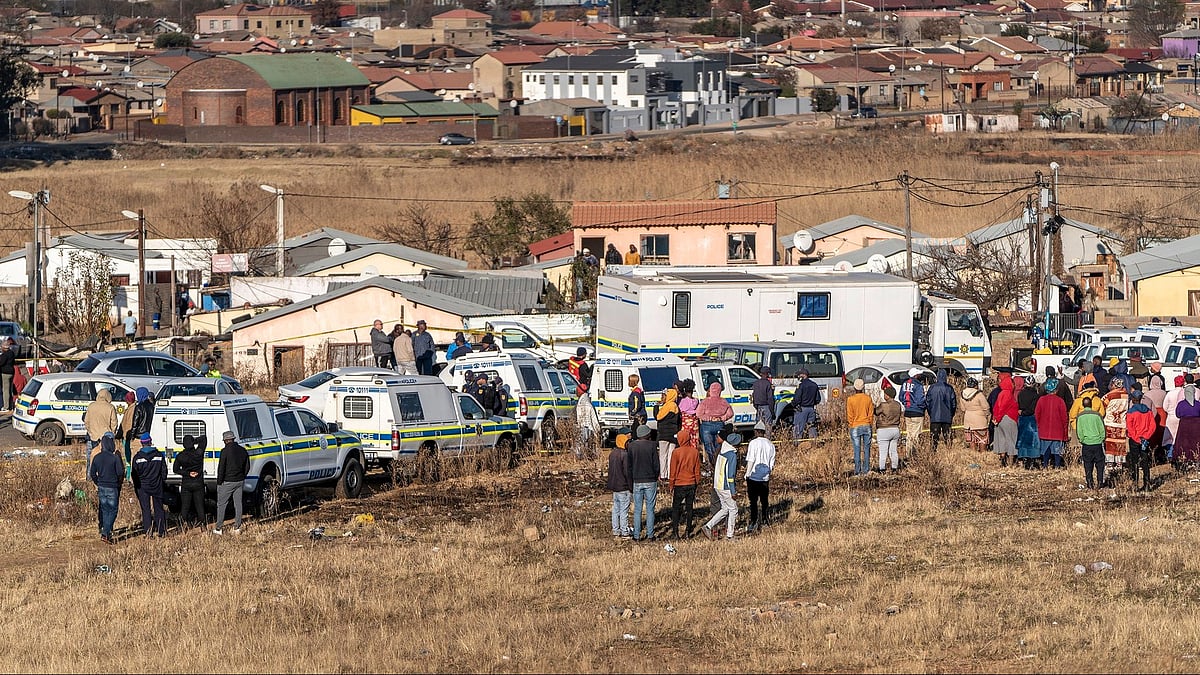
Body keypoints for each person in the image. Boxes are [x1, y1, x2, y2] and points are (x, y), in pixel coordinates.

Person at [701, 430, 741, 541]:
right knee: (733, 510)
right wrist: (733, 491)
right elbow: (730, 474)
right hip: (726, 486)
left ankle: (708, 526)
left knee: (725, 509)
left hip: (717, 485)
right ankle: (730, 535)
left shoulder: (722, 451)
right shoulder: (732, 455)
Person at [626, 425, 660, 541]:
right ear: (647, 434)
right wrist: (655, 476)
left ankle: (636, 535)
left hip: (637, 480)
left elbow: (629, 466)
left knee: (637, 509)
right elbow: (656, 464)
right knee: (650, 509)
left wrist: (631, 481)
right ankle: (650, 535)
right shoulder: (652, 445)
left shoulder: (631, 446)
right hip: (650, 480)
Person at [131, 432, 167, 538]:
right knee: (159, 509)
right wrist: (162, 481)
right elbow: (164, 471)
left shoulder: (137, 458)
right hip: (157, 485)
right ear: (150, 442)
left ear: (142, 444)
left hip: (143, 487)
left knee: (146, 509)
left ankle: (148, 532)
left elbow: (134, 474)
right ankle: (162, 531)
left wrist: (138, 486)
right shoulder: (159, 455)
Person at [89, 434, 124, 543]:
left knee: (105, 509)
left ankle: (105, 530)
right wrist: (117, 483)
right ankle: (106, 532)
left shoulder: (97, 457)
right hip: (112, 487)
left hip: (102, 487)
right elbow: (120, 472)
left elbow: (92, 473)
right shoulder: (114, 458)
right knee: (113, 510)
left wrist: (98, 482)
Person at [668, 427, 700, 539]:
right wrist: (697, 482)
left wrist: (671, 484)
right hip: (691, 483)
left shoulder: (676, 452)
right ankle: (687, 531)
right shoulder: (695, 452)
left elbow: (673, 470)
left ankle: (675, 532)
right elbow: (697, 470)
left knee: (676, 508)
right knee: (689, 508)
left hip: (679, 484)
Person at [214, 430, 248, 535]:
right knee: (238, 504)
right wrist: (242, 476)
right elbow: (247, 466)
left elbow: (221, 468)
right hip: (240, 480)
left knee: (221, 504)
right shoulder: (243, 450)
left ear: (225, 440)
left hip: (227, 481)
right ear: (233, 439)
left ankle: (219, 528)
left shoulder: (224, 451)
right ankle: (237, 527)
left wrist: (219, 482)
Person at [744, 421, 775, 533]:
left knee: (753, 502)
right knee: (764, 501)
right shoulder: (770, 444)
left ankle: (753, 522)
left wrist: (747, 474)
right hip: (765, 477)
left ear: (756, 431)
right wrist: (767, 472)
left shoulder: (753, 443)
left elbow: (751, 460)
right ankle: (765, 520)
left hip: (753, 477)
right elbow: (772, 463)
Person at [1075, 387, 1107, 489]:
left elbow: (1079, 431)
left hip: (1086, 444)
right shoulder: (1097, 415)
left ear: (1083, 405)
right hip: (1097, 443)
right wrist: (1101, 438)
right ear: (1091, 404)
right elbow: (1102, 429)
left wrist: (1082, 440)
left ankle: (1089, 482)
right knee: (1100, 464)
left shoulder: (1080, 416)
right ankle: (1100, 482)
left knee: (1088, 464)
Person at [83, 388, 119, 477]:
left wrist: (91, 432)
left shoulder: (91, 406)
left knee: (91, 458)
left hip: (93, 437)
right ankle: (104, 477)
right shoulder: (110, 407)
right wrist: (111, 434)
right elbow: (114, 423)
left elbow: (86, 421)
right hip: (106, 438)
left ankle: (90, 477)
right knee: (105, 460)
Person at [173, 433, 206, 529]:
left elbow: (175, 469)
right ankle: (203, 524)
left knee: (185, 506)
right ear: (192, 443)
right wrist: (194, 441)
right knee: (200, 505)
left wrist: (187, 473)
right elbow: (204, 439)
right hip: (198, 482)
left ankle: (184, 524)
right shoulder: (199, 453)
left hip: (186, 483)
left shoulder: (180, 456)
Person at [1126, 389, 1156, 491]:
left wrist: (1137, 439)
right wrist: (1146, 437)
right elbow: (1153, 426)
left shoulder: (1131, 412)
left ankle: (1135, 485)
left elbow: (1130, 428)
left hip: (1135, 440)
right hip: (1145, 440)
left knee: (1135, 462)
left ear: (1133, 399)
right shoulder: (1148, 411)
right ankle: (1147, 484)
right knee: (1145, 462)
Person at [696, 381, 733, 463]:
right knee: (718, 446)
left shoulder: (704, 402)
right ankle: (718, 463)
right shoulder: (724, 401)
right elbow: (730, 413)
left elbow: (698, 414)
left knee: (709, 446)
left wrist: (708, 418)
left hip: (707, 426)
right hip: (719, 424)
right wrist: (722, 418)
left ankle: (711, 464)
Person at [1035, 379, 1069, 469]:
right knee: (1057, 450)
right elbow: (1064, 417)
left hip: (1044, 429)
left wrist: (1039, 425)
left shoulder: (1041, 400)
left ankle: (1045, 465)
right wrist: (1065, 428)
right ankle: (1057, 465)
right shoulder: (1060, 401)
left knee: (1046, 449)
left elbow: (1037, 414)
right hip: (1058, 430)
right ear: (1055, 389)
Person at [607, 424, 633, 538]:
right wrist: (631, 487)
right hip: (624, 487)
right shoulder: (624, 455)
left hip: (615, 487)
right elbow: (627, 472)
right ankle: (624, 531)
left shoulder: (612, 454)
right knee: (624, 511)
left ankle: (616, 530)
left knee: (616, 509)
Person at [846, 378, 874, 476]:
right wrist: (869, 423)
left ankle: (857, 470)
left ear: (854, 387)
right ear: (863, 387)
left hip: (855, 426)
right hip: (866, 425)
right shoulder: (868, 398)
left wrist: (851, 424)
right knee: (867, 449)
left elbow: (850, 415)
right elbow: (871, 414)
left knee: (856, 448)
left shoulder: (850, 399)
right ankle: (866, 469)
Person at [992, 373, 1019, 465]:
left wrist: (995, 418)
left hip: (999, 420)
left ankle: (1003, 460)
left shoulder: (1001, 393)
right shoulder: (1008, 394)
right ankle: (1011, 461)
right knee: (1011, 439)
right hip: (1008, 418)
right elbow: (1003, 407)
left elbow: (996, 407)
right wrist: (998, 418)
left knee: (1001, 439)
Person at [926, 368, 957, 452]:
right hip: (947, 416)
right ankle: (949, 452)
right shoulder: (949, 388)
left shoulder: (932, 388)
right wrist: (951, 414)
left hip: (935, 416)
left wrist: (931, 413)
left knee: (934, 437)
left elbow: (928, 402)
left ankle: (933, 453)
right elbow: (953, 403)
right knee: (947, 436)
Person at [1103, 379, 1131, 469]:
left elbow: (1102, 406)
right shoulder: (1126, 395)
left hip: (1110, 422)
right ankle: (1120, 462)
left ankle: (1110, 462)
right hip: (1122, 423)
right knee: (1120, 443)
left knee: (1110, 443)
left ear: (1114, 385)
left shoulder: (1109, 396)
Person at [655, 384, 680, 481]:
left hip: (663, 434)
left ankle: (663, 475)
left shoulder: (666, 407)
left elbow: (658, 417)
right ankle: (671, 475)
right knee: (671, 455)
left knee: (663, 455)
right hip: (673, 434)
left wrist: (657, 406)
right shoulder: (675, 407)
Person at [899, 368, 927, 455]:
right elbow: (920, 400)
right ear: (916, 375)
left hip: (907, 412)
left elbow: (901, 397)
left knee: (909, 434)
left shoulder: (904, 384)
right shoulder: (918, 385)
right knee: (915, 435)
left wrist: (906, 404)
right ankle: (913, 455)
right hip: (917, 412)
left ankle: (908, 453)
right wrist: (924, 406)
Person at [875, 384, 903, 473]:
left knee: (883, 451)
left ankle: (882, 469)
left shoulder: (883, 405)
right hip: (895, 429)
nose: (884, 395)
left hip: (884, 430)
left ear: (888, 395)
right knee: (893, 451)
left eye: (885, 394)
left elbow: (875, 412)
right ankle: (894, 468)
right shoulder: (898, 405)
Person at [1015, 377, 1042, 469]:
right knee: (1033, 440)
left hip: (1022, 418)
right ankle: (1033, 459)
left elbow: (1019, 405)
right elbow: (1033, 409)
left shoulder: (1020, 394)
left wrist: (1022, 412)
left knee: (1022, 438)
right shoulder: (1036, 396)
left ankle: (1024, 458)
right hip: (1031, 419)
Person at [1173, 379, 1200, 464]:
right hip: (1196, 426)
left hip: (1184, 425)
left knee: (1184, 443)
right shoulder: (1198, 404)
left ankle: (1184, 459)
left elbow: (1177, 414)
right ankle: (1196, 458)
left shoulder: (1181, 404)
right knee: (1196, 442)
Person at [961, 378, 991, 453]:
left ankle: (973, 456)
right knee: (982, 440)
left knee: (971, 440)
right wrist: (987, 415)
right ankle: (982, 455)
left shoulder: (962, 394)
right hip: (980, 421)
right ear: (975, 385)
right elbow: (986, 407)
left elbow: (963, 408)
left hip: (968, 421)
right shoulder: (979, 394)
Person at [791, 368, 821, 440]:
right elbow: (818, 399)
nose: (798, 376)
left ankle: (796, 444)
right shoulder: (814, 385)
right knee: (812, 427)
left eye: (799, 375)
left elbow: (797, 398)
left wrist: (793, 404)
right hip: (811, 409)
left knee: (798, 428)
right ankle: (814, 443)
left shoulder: (801, 385)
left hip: (801, 410)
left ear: (804, 375)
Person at [1163, 374, 1187, 461]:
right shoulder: (1185, 393)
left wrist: (1170, 411)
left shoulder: (1170, 393)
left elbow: (1165, 406)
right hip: (1182, 417)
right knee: (1180, 436)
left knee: (1170, 437)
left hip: (1171, 417)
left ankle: (1170, 454)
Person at [575, 390, 600, 458]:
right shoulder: (589, 404)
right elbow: (594, 418)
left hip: (583, 427)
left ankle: (581, 456)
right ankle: (589, 456)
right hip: (589, 428)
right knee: (588, 443)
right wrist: (597, 429)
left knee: (582, 443)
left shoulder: (580, 404)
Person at [118, 390, 137, 480]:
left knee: (129, 458)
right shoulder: (131, 408)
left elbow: (126, 424)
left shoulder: (132, 409)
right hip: (128, 436)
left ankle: (129, 477)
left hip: (128, 437)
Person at [678, 379, 699, 443]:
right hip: (694, 424)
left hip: (685, 424)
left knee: (685, 440)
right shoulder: (696, 401)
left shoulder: (682, 401)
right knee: (694, 440)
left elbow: (680, 410)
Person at [0, 339, 14, 412]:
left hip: (5, 373)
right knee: (10, 390)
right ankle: (11, 405)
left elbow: (1, 363)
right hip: (11, 372)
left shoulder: (4, 355)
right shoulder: (12, 353)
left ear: (4, 347)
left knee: (5, 390)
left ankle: (6, 407)